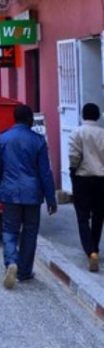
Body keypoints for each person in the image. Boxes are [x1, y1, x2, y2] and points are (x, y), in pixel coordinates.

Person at [0, 105, 57, 289]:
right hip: (33, 194)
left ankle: (11, 261)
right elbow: (45, 173)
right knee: (29, 231)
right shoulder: (38, 141)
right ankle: (24, 271)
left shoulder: (2, 139)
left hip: (10, 192)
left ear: (14, 119)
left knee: (10, 230)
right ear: (30, 120)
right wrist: (51, 198)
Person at [68, 103, 104, 272]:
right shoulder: (103, 134)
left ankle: (90, 251)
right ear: (98, 116)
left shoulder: (77, 132)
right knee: (99, 216)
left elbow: (74, 155)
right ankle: (95, 247)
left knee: (83, 216)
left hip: (83, 179)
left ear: (83, 115)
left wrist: (72, 171)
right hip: (101, 179)